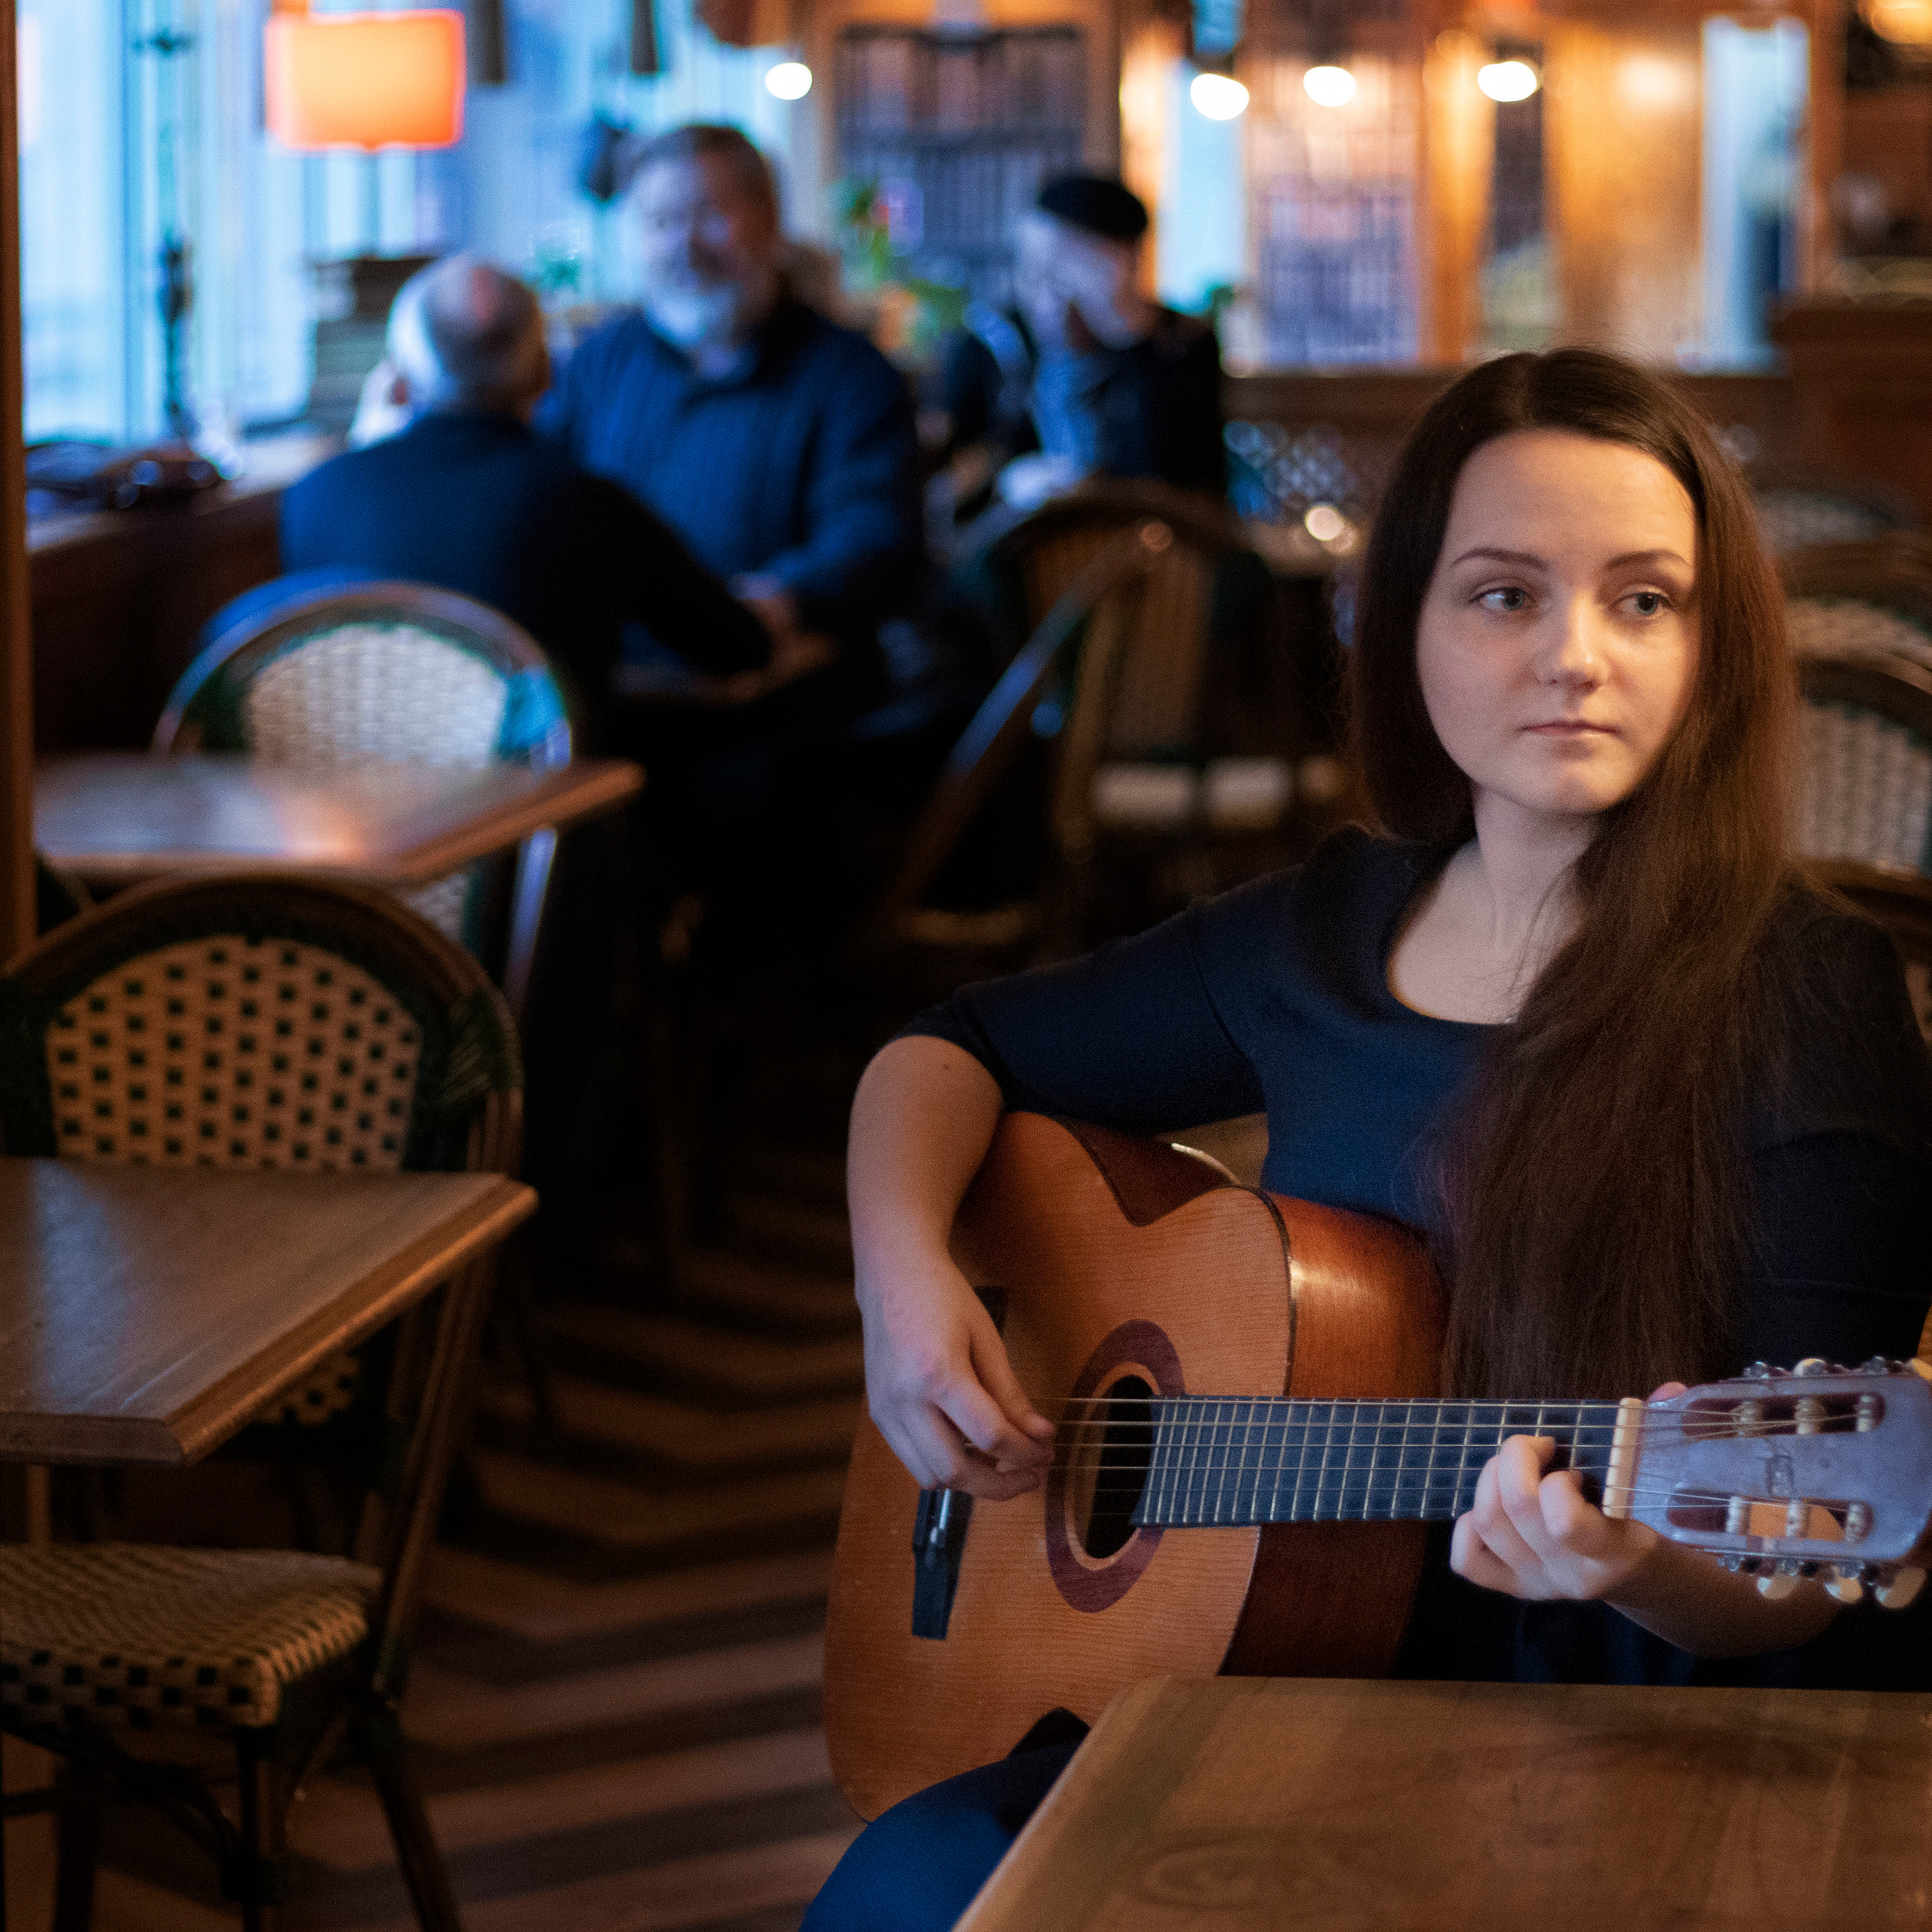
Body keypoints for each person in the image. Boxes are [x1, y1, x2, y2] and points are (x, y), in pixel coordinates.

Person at [804, 347, 1932, 1930]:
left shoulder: (1805, 989)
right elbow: (948, 1049)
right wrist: (903, 1285)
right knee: (904, 1887)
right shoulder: (1322, 929)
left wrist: (1628, 1562)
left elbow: (1799, 1579)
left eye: (1641, 600)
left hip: (1621, 1708)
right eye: (1498, 594)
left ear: (1711, 646)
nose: (1573, 657)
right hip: (1253, 1668)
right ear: (1401, 628)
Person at [280, 254, 771, 740]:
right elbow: (740, 647)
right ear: (544, 374)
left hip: (366, 813)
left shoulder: (311, 498)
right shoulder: (590, 505)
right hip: (543, 812)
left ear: (399, 383)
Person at [536, 123, 923, 678]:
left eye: (708, 216)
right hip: (617, 683)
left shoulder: (850, 376)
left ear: (770, 222)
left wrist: (769, 606)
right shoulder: (599, 363)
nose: (682, 245)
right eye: (659, 222)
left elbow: (874, 538)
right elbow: (549, 497)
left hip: (783, 694)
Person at [940, 173, 1226, 516]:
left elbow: (1184, 477)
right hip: (1021, 546)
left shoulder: (1181, 344)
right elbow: (948, 489)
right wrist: (1006, 479)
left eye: (1062, 264)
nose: (1042, 286)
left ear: (1126, 264)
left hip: (1156, 543)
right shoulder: (990, 342)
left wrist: (1127, 334)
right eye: (1032, 264)